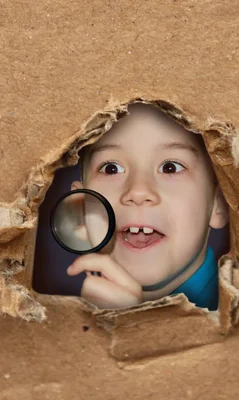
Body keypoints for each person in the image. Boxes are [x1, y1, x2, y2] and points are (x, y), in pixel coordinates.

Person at [66, 103, 229, 310]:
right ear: (79, 206)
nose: (138, 192)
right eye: (111, 168)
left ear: (219, 204)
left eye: (170, 167)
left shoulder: (235, 311)